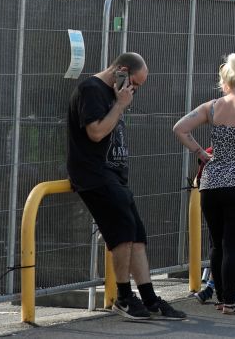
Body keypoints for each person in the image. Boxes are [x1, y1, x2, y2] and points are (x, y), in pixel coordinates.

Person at [66, 53, 186, 321]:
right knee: (121, 235)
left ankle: (149, 297)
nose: (134, 90)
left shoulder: (116, 94)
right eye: (134, 83)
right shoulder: (92, 90)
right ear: (121, 70)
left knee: (136, 235)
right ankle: (123, 297)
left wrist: (120, 102)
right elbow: (95, 132)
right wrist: (120, 105)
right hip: (95, 174)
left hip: (114, 175)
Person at [173, 53, 235, 314]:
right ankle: (230, 300)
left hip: (212, 183)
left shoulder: (212, 107)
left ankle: (219, 298)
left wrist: (201, 153)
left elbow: (180, 128)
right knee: (234, 245)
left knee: (216, 244)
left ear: (225, 81)